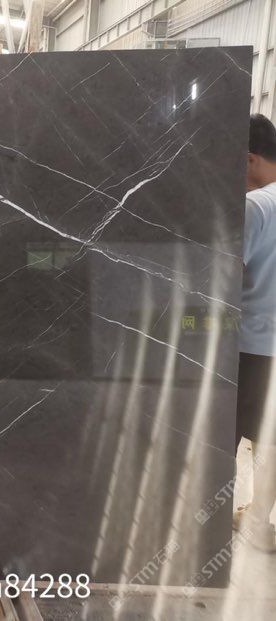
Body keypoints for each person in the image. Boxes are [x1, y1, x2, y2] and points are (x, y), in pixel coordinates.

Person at [236, 114, 276, 551]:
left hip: (249, 345)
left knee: (224, 433)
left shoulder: (256, 206)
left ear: (249, 158)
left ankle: (201, 528)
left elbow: (223, 276)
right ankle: (260, 525)